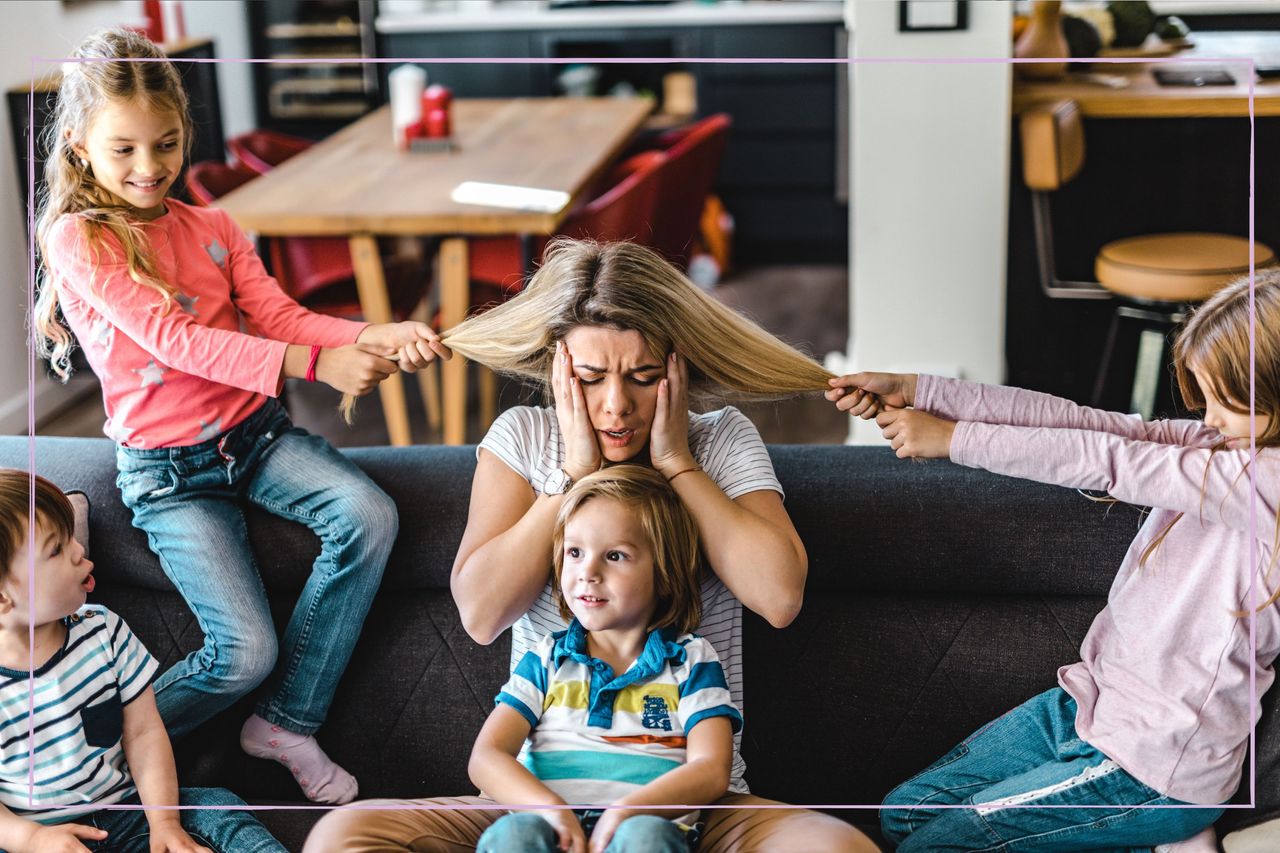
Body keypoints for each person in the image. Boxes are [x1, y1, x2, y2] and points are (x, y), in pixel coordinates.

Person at [306, 239, 878, 851]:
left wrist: (678, 463)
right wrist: (570, 477)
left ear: (677, 368)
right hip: (534, 803)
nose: (615, 406)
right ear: (558, 368)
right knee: (344, 834)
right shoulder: (524, 438)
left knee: (839, 847)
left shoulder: (720, 442)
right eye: (589, 378)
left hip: (688, 808)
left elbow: (779, 596)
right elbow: (480, 614)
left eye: (643, 377)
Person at [33, 28, 451, 805]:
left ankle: (288, 721)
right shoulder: (77, 238)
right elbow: (177, 341)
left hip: (255, 438)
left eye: (164, 143)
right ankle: (104, 751)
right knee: (244, 650)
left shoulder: (213, 227)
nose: (150, 167)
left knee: (370, 513)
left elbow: (281, 315)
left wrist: (370, 333)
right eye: (124, 149)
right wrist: (320, 364)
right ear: (82, 148)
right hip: (168, 474)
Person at [827, 270, 1280, 851]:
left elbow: (1110, 459)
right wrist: (920, 388)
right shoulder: (1223, 444)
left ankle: (1162, 836)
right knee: (906, 815)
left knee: (932, 846)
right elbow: (1090, 424)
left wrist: (953, 440)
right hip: (1091, 701)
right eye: (1206, 397)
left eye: (1227, 400)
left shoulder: (1265, 483)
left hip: (1154, 766)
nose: (1209, 419)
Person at [0, 469, 289, 853]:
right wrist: (32, 838)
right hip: (35, 838)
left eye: (71, 536)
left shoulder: (103, 630)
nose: (77, 551)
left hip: (124, 813)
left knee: (217, 808)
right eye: (56, 549)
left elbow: (143, 733)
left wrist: (164, 822)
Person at [471, 465, 740, 853]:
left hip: (642, 829)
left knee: (646, 838)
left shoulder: (690, 661)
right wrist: (552, 810)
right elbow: (486, 757)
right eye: (575, 552)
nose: (588, 572)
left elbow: (712, 770)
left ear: (664, 573)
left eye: (615, 555)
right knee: (511, 837)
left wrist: (626, 811)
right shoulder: (548, 657)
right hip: (548, 831)